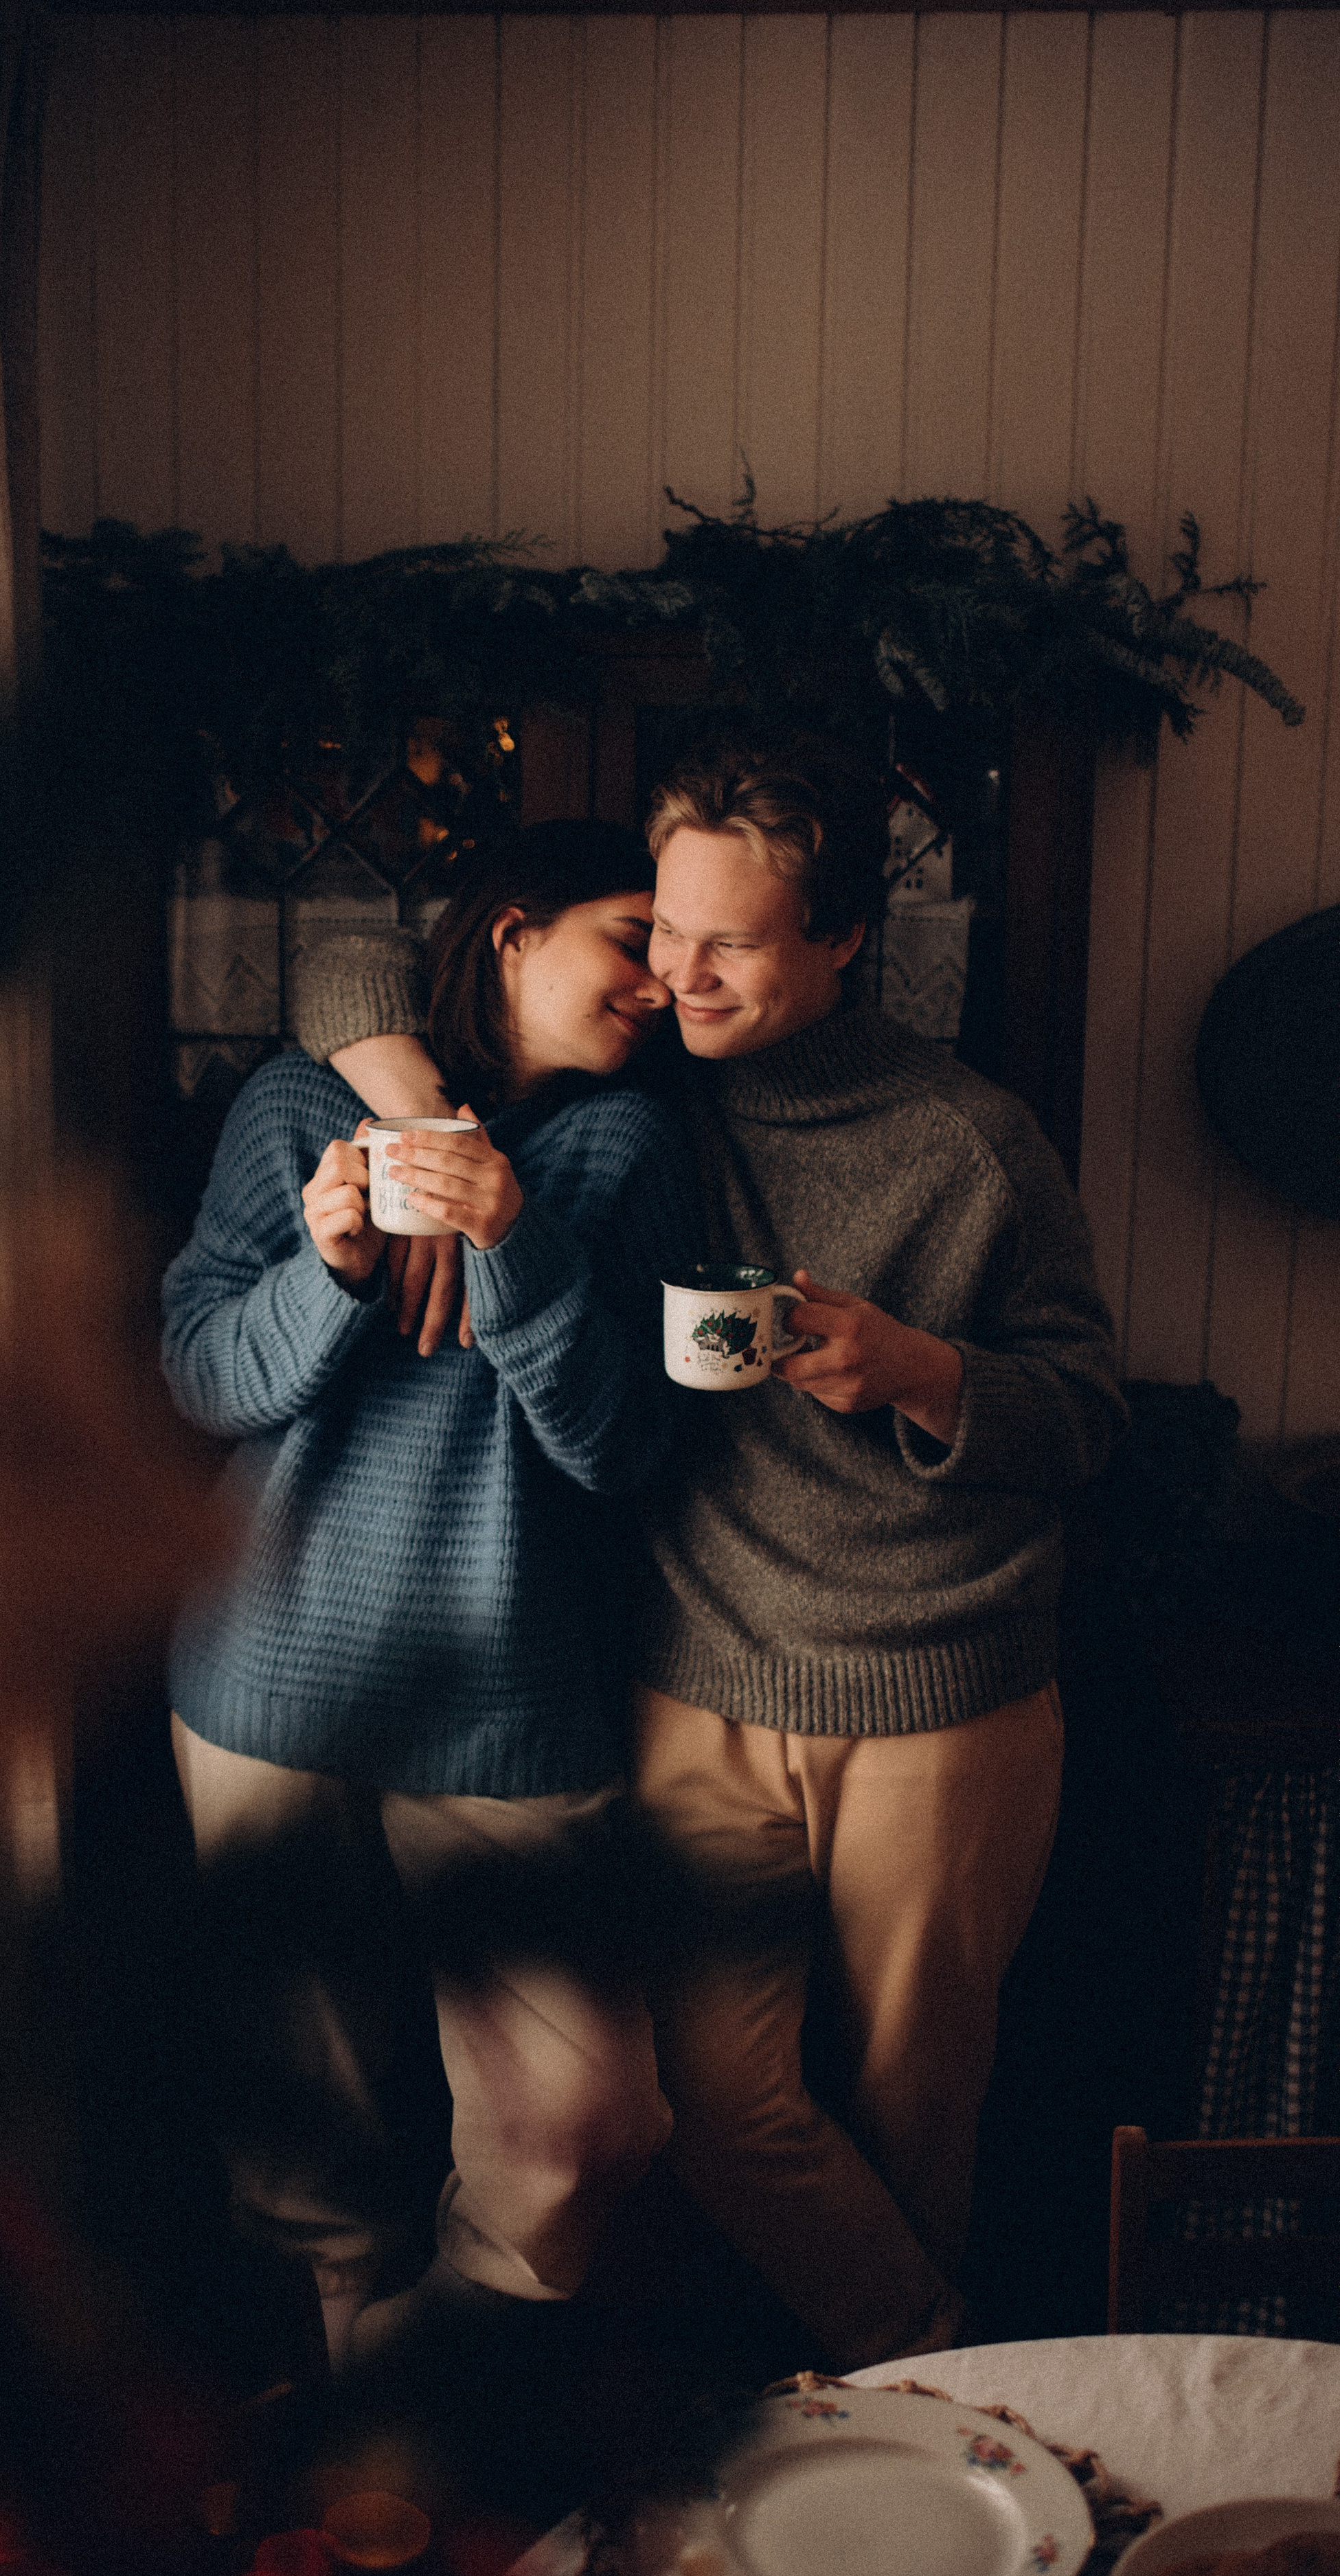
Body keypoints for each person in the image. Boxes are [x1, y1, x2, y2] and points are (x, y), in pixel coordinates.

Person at [291, 734, 1127, 2369]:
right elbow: (342, 954)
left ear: (835, 947)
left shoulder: (968, 1140)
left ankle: (904, 2463)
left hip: (937, 1693)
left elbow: (1088, 1417)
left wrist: (910, 1371)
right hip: (695, 1671)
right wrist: (423, 1126)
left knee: (905, 2113)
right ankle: (933, 2359)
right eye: (662, 933)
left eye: (727, 944)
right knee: (707, 2105)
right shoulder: (647, 1086)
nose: (676, 977)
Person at [161, 820, 698, 2374]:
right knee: (300, 2116)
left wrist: (510, 1230)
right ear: (514, 932)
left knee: (590, 2119)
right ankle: (371, 2444)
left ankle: (424, 2363)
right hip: (270, 1666)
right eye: (629, 938)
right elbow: (201, 1375)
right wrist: (322, 1265)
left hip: (508, 1686)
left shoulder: (628, 1151)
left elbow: (617, 1444)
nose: (658, 986)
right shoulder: (297, 1105)